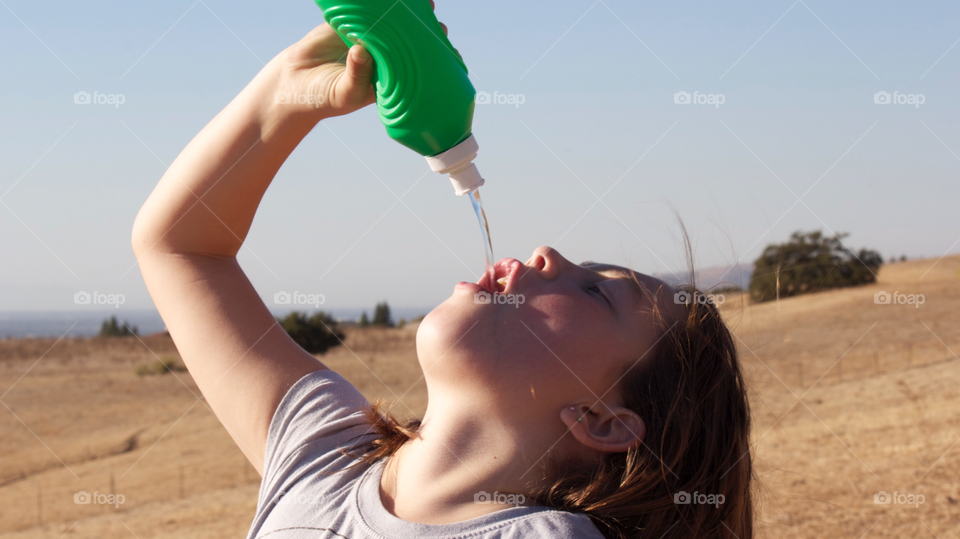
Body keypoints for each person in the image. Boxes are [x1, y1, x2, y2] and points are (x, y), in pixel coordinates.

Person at [132, 7, 753, 538]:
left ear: (603, 420)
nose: (548, 255)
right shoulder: (323, 452)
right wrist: (283, 97)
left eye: (595, 293)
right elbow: (182, 246)